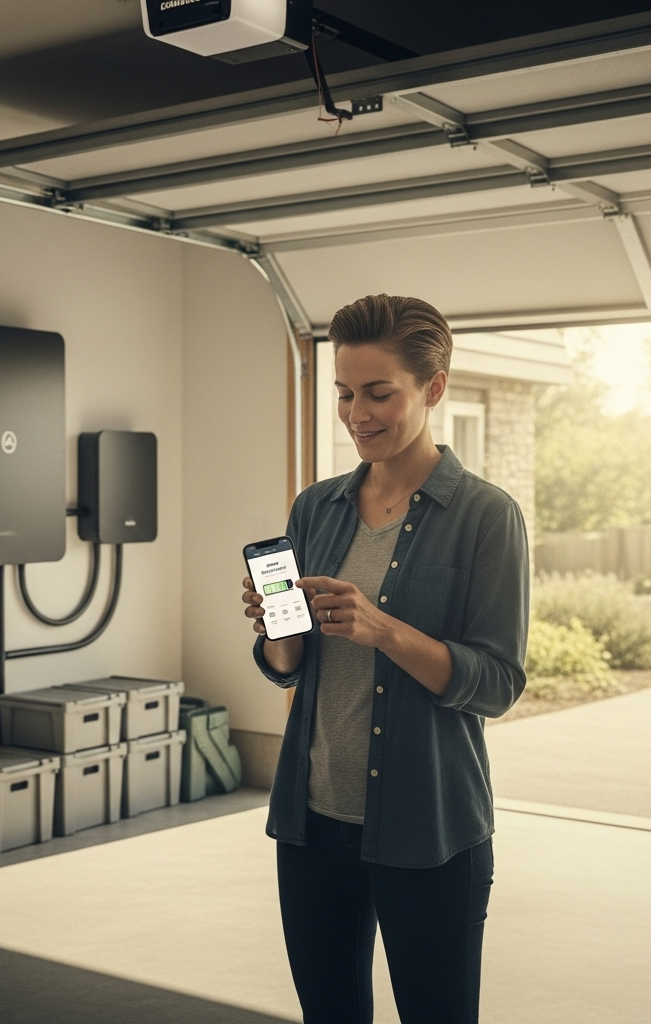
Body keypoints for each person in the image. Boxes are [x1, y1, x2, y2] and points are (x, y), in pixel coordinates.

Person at [241, 294, 529, 1024]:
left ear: (433, 388)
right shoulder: (316, 508)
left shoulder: (486, 516)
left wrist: (384, 630)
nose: (356, 414)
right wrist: (278, 630)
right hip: (313, 822)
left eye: (378, 393)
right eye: (344, 393)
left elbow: (497, 685)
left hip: (430, 827)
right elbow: (291, 666)